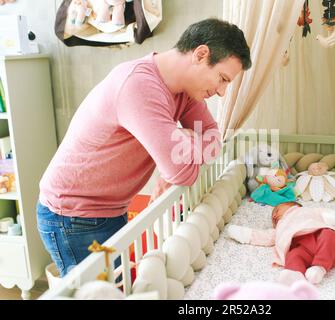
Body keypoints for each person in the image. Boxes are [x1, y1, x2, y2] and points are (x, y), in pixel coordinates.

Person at [37, 18, 252, 277]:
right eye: (222, 79)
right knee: (101, 293)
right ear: (201, 54)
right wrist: (184, 144)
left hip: (110, 208)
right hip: (73, 216)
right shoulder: (139, 85)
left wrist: (180, 141)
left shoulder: (185, 92)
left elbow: (213, 139)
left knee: (118, 286)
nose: (221, 92)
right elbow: (182, 172)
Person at [226, 202, 335, 284]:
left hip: (321, 237)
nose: (274, 215)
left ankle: (319, 267)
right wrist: (244, 233)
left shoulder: (308, 211)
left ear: (294, 205)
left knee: (330, 234)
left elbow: (330, 217)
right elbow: (263, 236)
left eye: (277, 210)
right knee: (294, 255)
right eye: (273, 217)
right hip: (301, 248)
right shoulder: (281, 226)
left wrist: (334, 219)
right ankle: (294, 274)